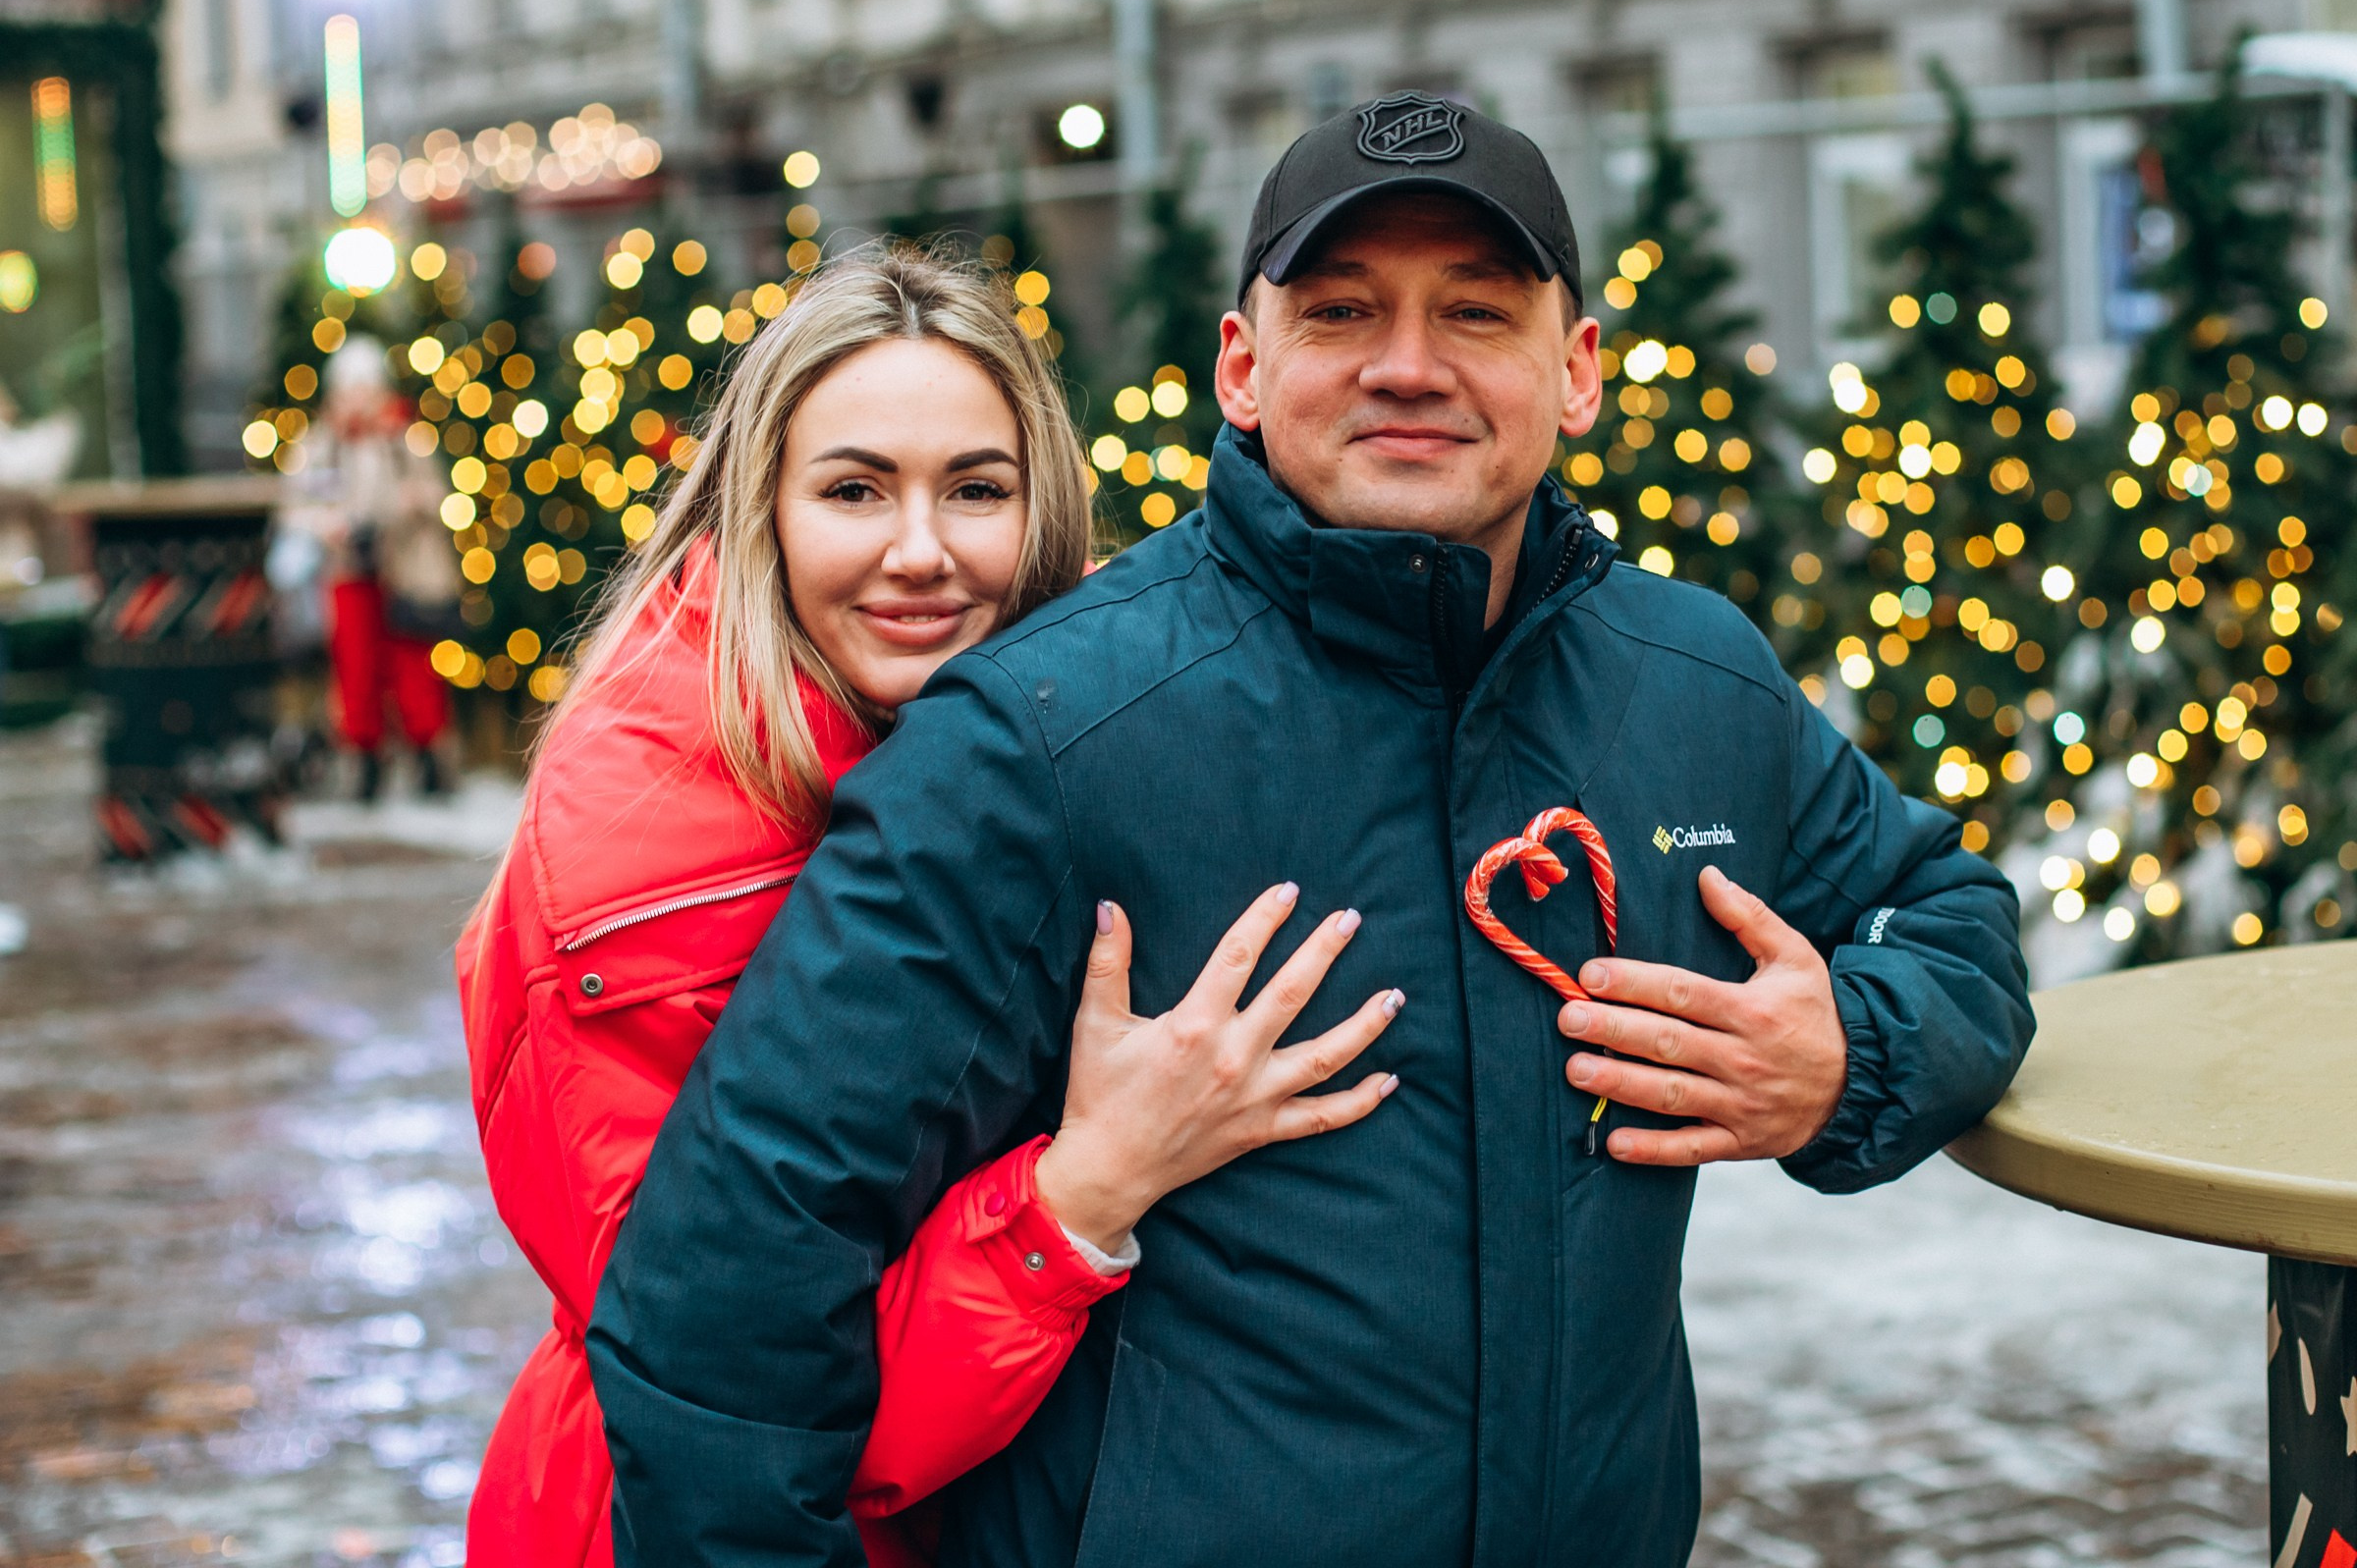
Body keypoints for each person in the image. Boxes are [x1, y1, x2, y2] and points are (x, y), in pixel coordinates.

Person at [588, 96, 2033, 1567]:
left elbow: (1952, 915)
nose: (1409, 367)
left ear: (1578, 371)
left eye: (1476, 311)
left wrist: (1849, 1058)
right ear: (1243, 364)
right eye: (1341, 310)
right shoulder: (1045, 733)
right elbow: (733, 1275)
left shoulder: (1692, 683)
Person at [457, 248, 1399, 1568]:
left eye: (976, 490)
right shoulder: (648, 862)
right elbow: (741, 1399)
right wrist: (1082, 1193)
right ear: (759, 509)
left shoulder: (1033, 740)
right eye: (854, 489)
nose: (921, 553)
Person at [304, 336, 462, 797]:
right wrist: (326, 525)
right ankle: (364, 758)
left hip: (402, 570)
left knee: (412, 666)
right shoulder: (322, 445)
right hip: (348, 571)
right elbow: (301, 504)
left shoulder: (402, 440)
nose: (356, 400)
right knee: (356, 667)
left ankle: (428, 754)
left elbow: (434, 494)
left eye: (364, 388)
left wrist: (408, 504)